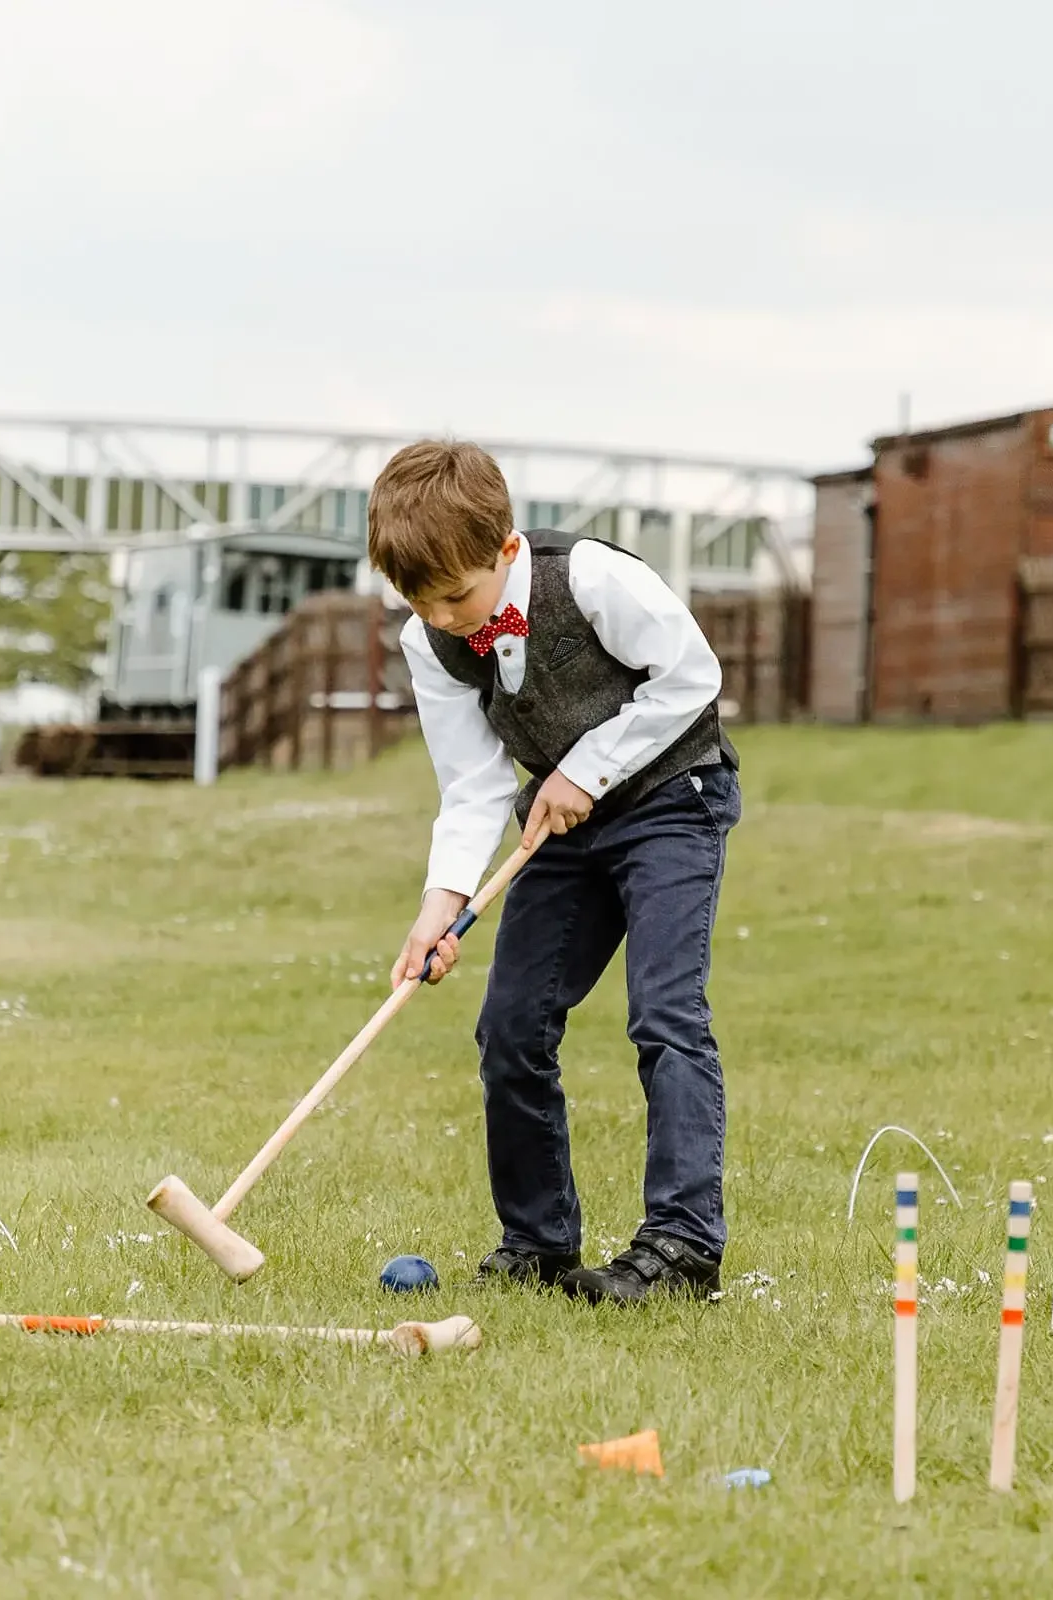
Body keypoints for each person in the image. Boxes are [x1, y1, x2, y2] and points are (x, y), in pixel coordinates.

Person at [371, 439, 739, 1305]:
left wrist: (585, 769)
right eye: (422, 603)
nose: (449, 617)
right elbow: (470, 782)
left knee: (665, 1014)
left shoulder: (592, 580)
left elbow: (692, 676)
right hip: (560, 829)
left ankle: (683, 1246)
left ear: (505, 552)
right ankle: (538, 1241)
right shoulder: (433, 638)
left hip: (672, 800)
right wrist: (441, 907)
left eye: (459, 595)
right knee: (511, 1024)